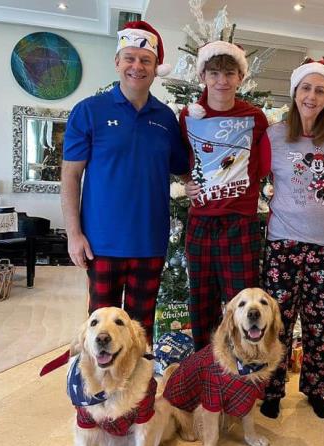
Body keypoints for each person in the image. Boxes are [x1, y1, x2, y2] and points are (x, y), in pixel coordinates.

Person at [61, 21, 189, 345]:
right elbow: (71, 176)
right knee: (102, 335)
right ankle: (100, 394)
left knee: (139, 332)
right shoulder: (88, 112)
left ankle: (139, 396)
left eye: (145, 60)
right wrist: (74, 234)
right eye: (129, 58)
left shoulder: (166, 119)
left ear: (156, 67)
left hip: (150, 243)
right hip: (101, 244)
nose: (137, 66)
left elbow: (185, 171)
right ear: (117, 62)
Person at [257, 57, 324, 419]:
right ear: (295, 92)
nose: (312, 96)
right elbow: (250, 177)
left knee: (320, 321)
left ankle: (316, 389)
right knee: (278, 320)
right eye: (306, 88)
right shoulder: (273, 135)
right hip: (283, 242)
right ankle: (272, 389)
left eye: (320, 90)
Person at [181, 41, 269, 351]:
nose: (222, 80)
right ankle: (205, 368)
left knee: (244, 307)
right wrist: (185, 182)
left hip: (240, 225)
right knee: (201, 304)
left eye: (230, 73)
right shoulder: (188, 116)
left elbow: (264, 164)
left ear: (240, 77)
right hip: (201, 224)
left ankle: (242, 372)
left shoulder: (255, 117)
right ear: (203, 75)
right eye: (215, 73)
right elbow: (180, 159)